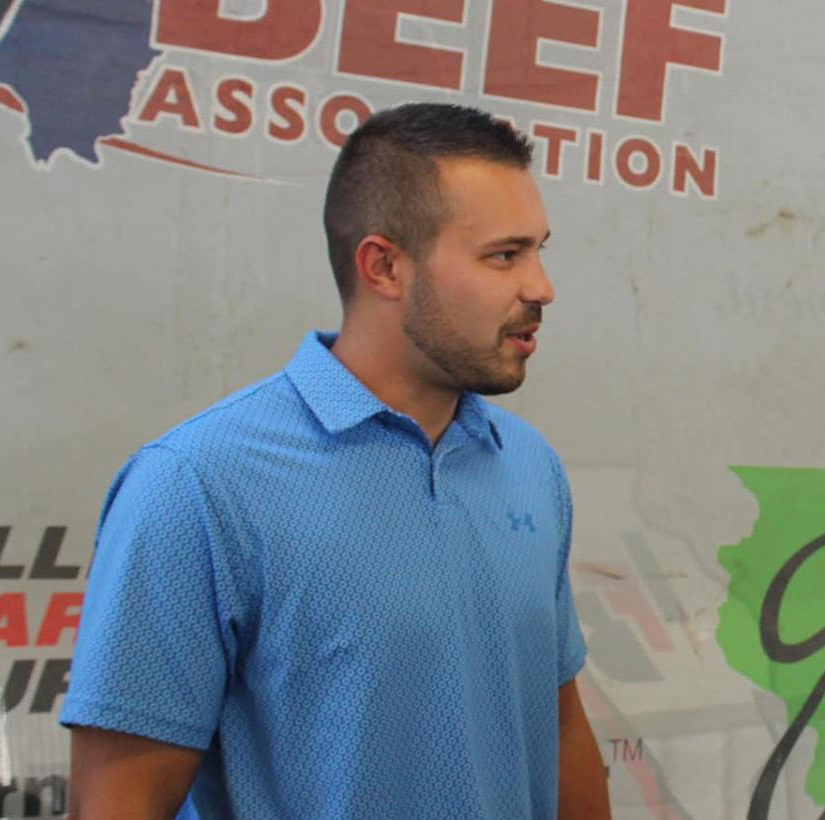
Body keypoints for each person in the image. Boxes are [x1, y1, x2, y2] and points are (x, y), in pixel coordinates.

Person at [60, 103, 611, 819]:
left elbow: (558, 723)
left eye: (539, 249)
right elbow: (119, 805)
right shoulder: (195, 485)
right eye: (504, 256)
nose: (541, 287)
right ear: (384, 266)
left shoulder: (530, 466)